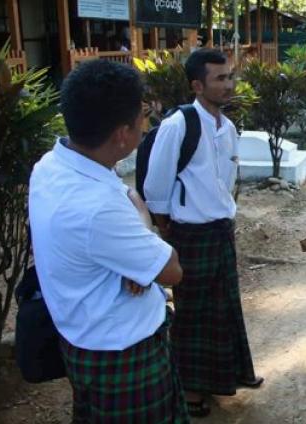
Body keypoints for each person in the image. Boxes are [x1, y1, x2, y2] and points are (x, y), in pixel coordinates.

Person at [28, 60, 188, 422]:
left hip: (82, 339)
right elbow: (171, 270)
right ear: (121, 134)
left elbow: (122, 198)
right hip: (124, 354)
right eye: (141, 116)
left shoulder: (51, 166)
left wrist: (135, 256)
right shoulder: (98, 208)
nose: (145, 123)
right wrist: (143, 228)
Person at [144, 48, 262, 417]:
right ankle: (192, 389)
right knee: (193, 314)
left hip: (220, 231)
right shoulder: (178, 125)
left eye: (230, 77)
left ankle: (231, 373)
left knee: (224, 306)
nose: (229, 85)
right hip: (190, 234)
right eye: (220, 78)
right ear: (197, 85)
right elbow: (155, 186)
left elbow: (225, 182)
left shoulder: (228, 128)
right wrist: (167, 227)